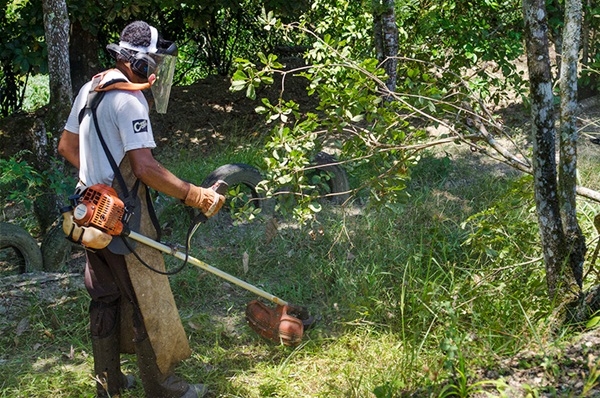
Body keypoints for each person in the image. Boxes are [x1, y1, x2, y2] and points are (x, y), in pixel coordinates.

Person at [58, 21, 224, 398]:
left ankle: (109, 385)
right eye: (156, 63)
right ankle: (162, 388)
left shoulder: (90, 88)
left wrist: (96, 182)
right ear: (142, 62)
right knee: (146, 298)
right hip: (122, 218)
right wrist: (196, 195)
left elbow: (66, 148)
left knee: (104, 296)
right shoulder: (129, 99)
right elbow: (146, 168)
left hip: (87, 212)